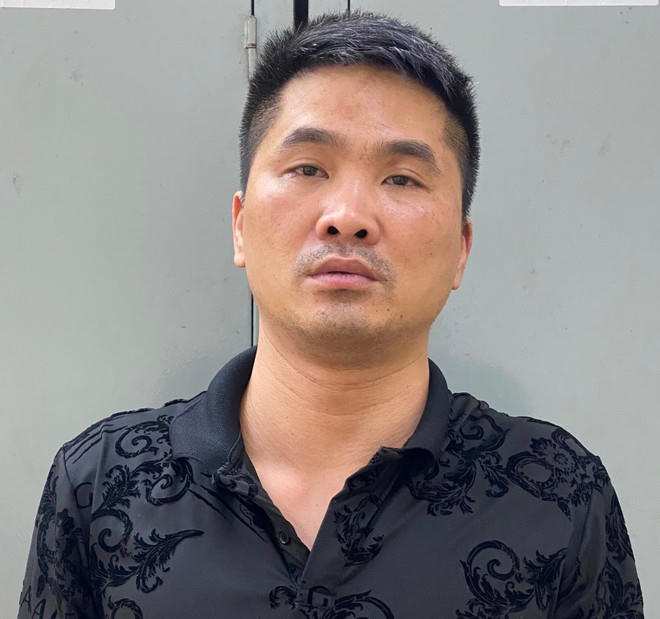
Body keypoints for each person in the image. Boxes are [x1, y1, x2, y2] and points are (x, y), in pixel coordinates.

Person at [19, 11, 643, 618]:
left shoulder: (557, 493)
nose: (348, 217)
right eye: (308, 168)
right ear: (240, 225)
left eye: (402, 179)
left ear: (461, 248)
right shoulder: (100, 483)